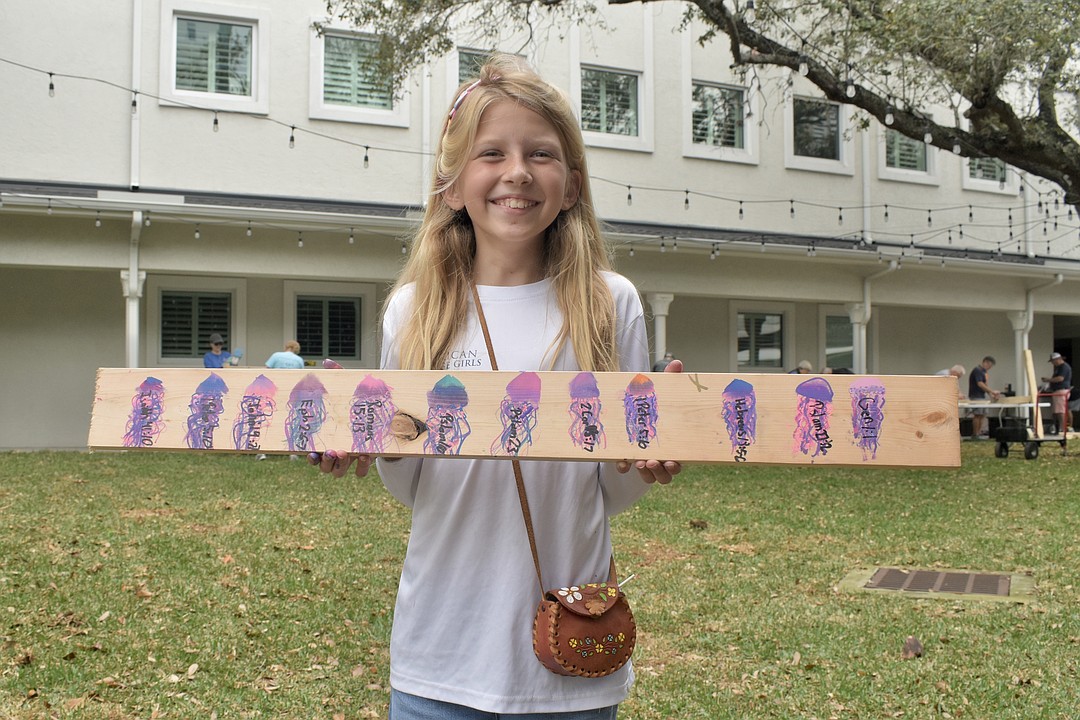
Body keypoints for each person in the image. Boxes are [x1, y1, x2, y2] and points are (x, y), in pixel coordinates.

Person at [311, 54, 681, 718]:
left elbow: (612, 493)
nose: (516, 172)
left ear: (570, 185)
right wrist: (380, 443)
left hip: (572, 653)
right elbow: (411, 490)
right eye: (491, 153)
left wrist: (650, 455)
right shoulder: (415, 310)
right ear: (451, 185)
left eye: (539, 153)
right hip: (440, 654)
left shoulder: (610, 304)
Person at [967, 356, 1001, 438]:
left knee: (982, 414)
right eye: (989, 365)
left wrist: (991, 395)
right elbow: (980, 384)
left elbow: (985, 385)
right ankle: (975, 434)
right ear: (985, 362)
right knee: (977, 415)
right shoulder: (977, 371)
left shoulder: (984, 373)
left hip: (982, 396)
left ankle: (979, 432)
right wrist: (992, 391)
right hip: (976, 396)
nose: (989, 367)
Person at [1041, 352, 1073, 434]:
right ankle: (1060, 427)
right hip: (1057, 390)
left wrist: (1048, 380)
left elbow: (1060, 378)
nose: (1052, 363)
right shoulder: (1058, 368)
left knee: (1060, 410)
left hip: (1061, 390)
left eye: (1053, 361)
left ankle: (1062, 428)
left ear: (1057, 360)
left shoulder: (1064, 367)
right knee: (1058, 410)